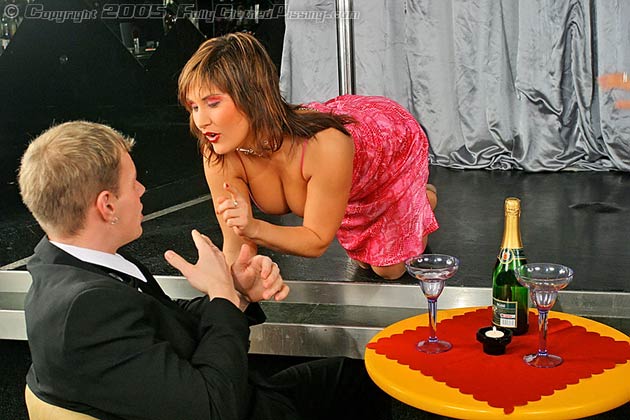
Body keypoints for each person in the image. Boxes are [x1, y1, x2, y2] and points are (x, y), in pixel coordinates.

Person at [18, 121, 391, 420]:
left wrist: (237, 292)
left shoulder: (70, 267)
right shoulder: (85, 310)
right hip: (230, 403)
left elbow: (163, 325)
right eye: (132, 182)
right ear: (107, 206)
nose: (143, 189)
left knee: (356, 377)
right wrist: (221, 297)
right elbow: (214, 408)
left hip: (228, 389)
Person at [177, 32, 439, 280]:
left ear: (253, 96)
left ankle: (420, 198)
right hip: (342, 165)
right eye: (194, 107)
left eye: (213, 103)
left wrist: (254, 227)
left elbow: (316, 241)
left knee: (388, 270)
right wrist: (224, 297)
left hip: (389, 144)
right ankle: (406, 207)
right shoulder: (218, 153)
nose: (201, 121)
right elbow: (237, 246)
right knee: (364, 259)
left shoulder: (325, 146)